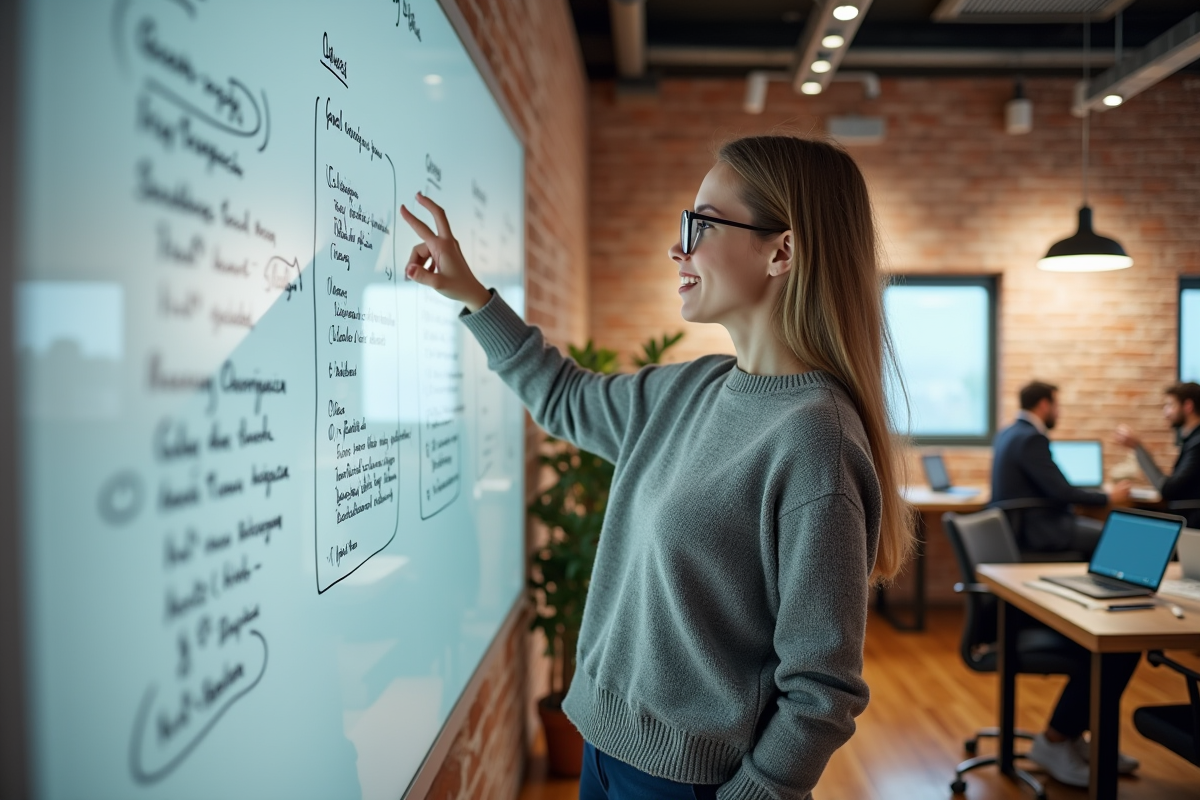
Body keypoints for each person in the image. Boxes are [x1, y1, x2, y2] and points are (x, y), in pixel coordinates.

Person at [400, 136, 914, 799]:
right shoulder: (691, 389)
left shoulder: (816, 437)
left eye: (700, 225)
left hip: (691, 784)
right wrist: (468, 292)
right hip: (603, 749)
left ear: (781, 251)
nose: (680, 249)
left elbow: (823, 687)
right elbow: (563, 397)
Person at [990, 381, 1131, 558]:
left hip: (1016, 528)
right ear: (1044, 404)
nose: (1058, 412)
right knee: (1114, 538)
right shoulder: (1031, 438)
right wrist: (1108, 497)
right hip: (1039, 531)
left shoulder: (1006, 433)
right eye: (1057, 405)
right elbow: (1062, 492)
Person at [1114, 382, 1200, 528]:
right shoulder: (1192, 441)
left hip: (1190, 521)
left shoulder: (1197, 444)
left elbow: (1168, 490)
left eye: (1170, 405)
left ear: (1188, 406)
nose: (1166, 413)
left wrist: (1137, 448)